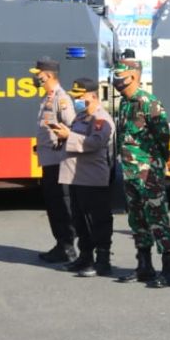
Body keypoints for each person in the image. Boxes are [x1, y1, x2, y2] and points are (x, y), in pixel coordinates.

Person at [112, 57, 170, 287]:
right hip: (130, 172)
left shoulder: (148, 103)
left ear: (133, 77)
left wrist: (158, 163)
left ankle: (169, 270)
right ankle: (144, 266)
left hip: (148, 172)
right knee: (137, 220)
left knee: (158, 220)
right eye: (115, 77)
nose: (116, 82)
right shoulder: (125, 103)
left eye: (120, 77)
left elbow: (163, 138)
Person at [51, 78, 114, 278]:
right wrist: (60, 137)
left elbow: (95, 143)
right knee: (79, 220)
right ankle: (85, 257)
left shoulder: (101, 119)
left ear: (93, 96)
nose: (76, 99)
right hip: (75, 177)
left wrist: (68, 135)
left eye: (80, 96)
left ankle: (102, 261)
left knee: (97, 220)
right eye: (75, 96)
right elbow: (73, 139)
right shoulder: (80, 117)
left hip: (93, 178)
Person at [31, 57, 76, 263]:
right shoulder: (48, 97)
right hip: (49, 160)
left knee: (60, 205)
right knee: (53, 205)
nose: (34, 77)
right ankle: (62, 245)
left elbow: (71, 127)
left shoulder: (61, 98)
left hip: (58, 162)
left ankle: (67, 247)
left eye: (37, 73)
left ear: (48, 75)